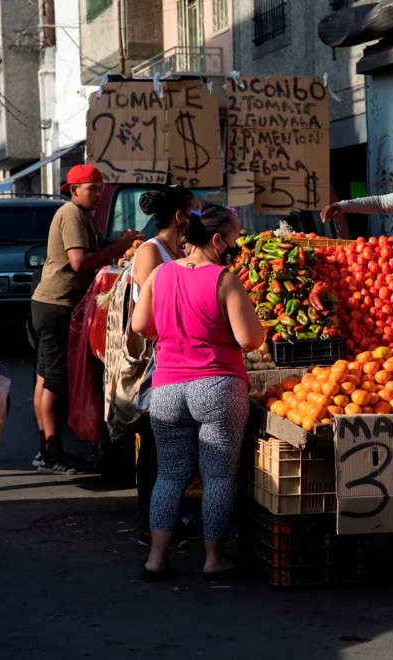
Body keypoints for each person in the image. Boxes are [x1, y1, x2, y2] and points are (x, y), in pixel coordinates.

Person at [131, 204, 265, 582]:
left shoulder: (160, 273)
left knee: (170, 475)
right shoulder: (224, 279)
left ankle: (156, 558)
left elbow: (141, 325)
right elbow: (249, 340)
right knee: (219, 475)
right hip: (218, 386)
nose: (237, 245)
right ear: (219, 240)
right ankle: (213, 558)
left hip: (169, 388)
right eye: (236, 238)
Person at [31, 165, 140, 475]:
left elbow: (99, 246)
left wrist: (121, 242)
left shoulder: (84, 216)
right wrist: (119, 248)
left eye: (100, 188)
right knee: (54, 381)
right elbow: (79, 263)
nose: (98, 193)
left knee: (45, 377)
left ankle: (45, 452)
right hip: (57, 306)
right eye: (92, 188)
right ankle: (51, 454)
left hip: (49, 304)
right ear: (73, 190)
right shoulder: (71, 214)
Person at [130, 184, 197, 548]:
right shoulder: (149, 252)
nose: (198, 217)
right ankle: (149, 523)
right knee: (156, 448)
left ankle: (171, 517)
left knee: (176, 448)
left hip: (180, 356)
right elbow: (153, 308)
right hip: (158, 361)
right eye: (195, 211)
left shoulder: (179, 250)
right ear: (180, 216)